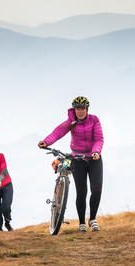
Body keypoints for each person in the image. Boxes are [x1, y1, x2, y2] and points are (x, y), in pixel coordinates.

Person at [38, 96, 104, 232]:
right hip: (77, 159)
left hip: (94, 158)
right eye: (78, 109)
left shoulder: (94, 120)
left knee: (96, 189)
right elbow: (58, 132)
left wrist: (96, 152)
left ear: (87, 109)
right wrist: (46, 141)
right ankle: (81, 223)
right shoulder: (71, 122)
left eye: (83, 109)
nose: (80, 111)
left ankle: (92, 219)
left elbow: (99, 138)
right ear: (74, 110)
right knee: (81, 191)